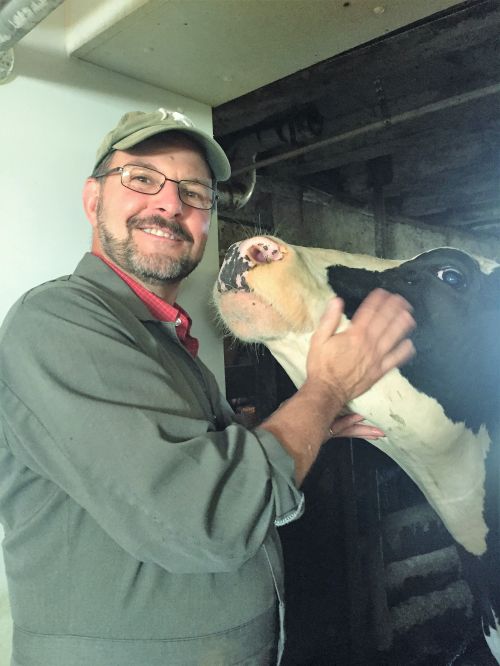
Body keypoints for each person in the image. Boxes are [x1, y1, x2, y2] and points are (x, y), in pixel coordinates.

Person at [0, 108, 415, 666]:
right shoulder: (58, 320)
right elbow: (210, 517)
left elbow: (176, 465)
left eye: (195, 194)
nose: (171, 203)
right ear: (93, 200)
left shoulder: (166, 338)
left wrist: (305, 424)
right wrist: (328, 387)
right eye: (142, 179)